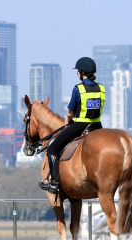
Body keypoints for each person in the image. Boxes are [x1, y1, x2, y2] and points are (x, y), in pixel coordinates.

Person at [40, 57, 106, 194]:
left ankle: (54, 183)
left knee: (52, 148)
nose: (77, 74)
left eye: (78, 71)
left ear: (82, 72)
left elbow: (70, 112)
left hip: (80, 125)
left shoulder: (78, 89)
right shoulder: (101, 88)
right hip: (97, 126)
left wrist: (68, 121)